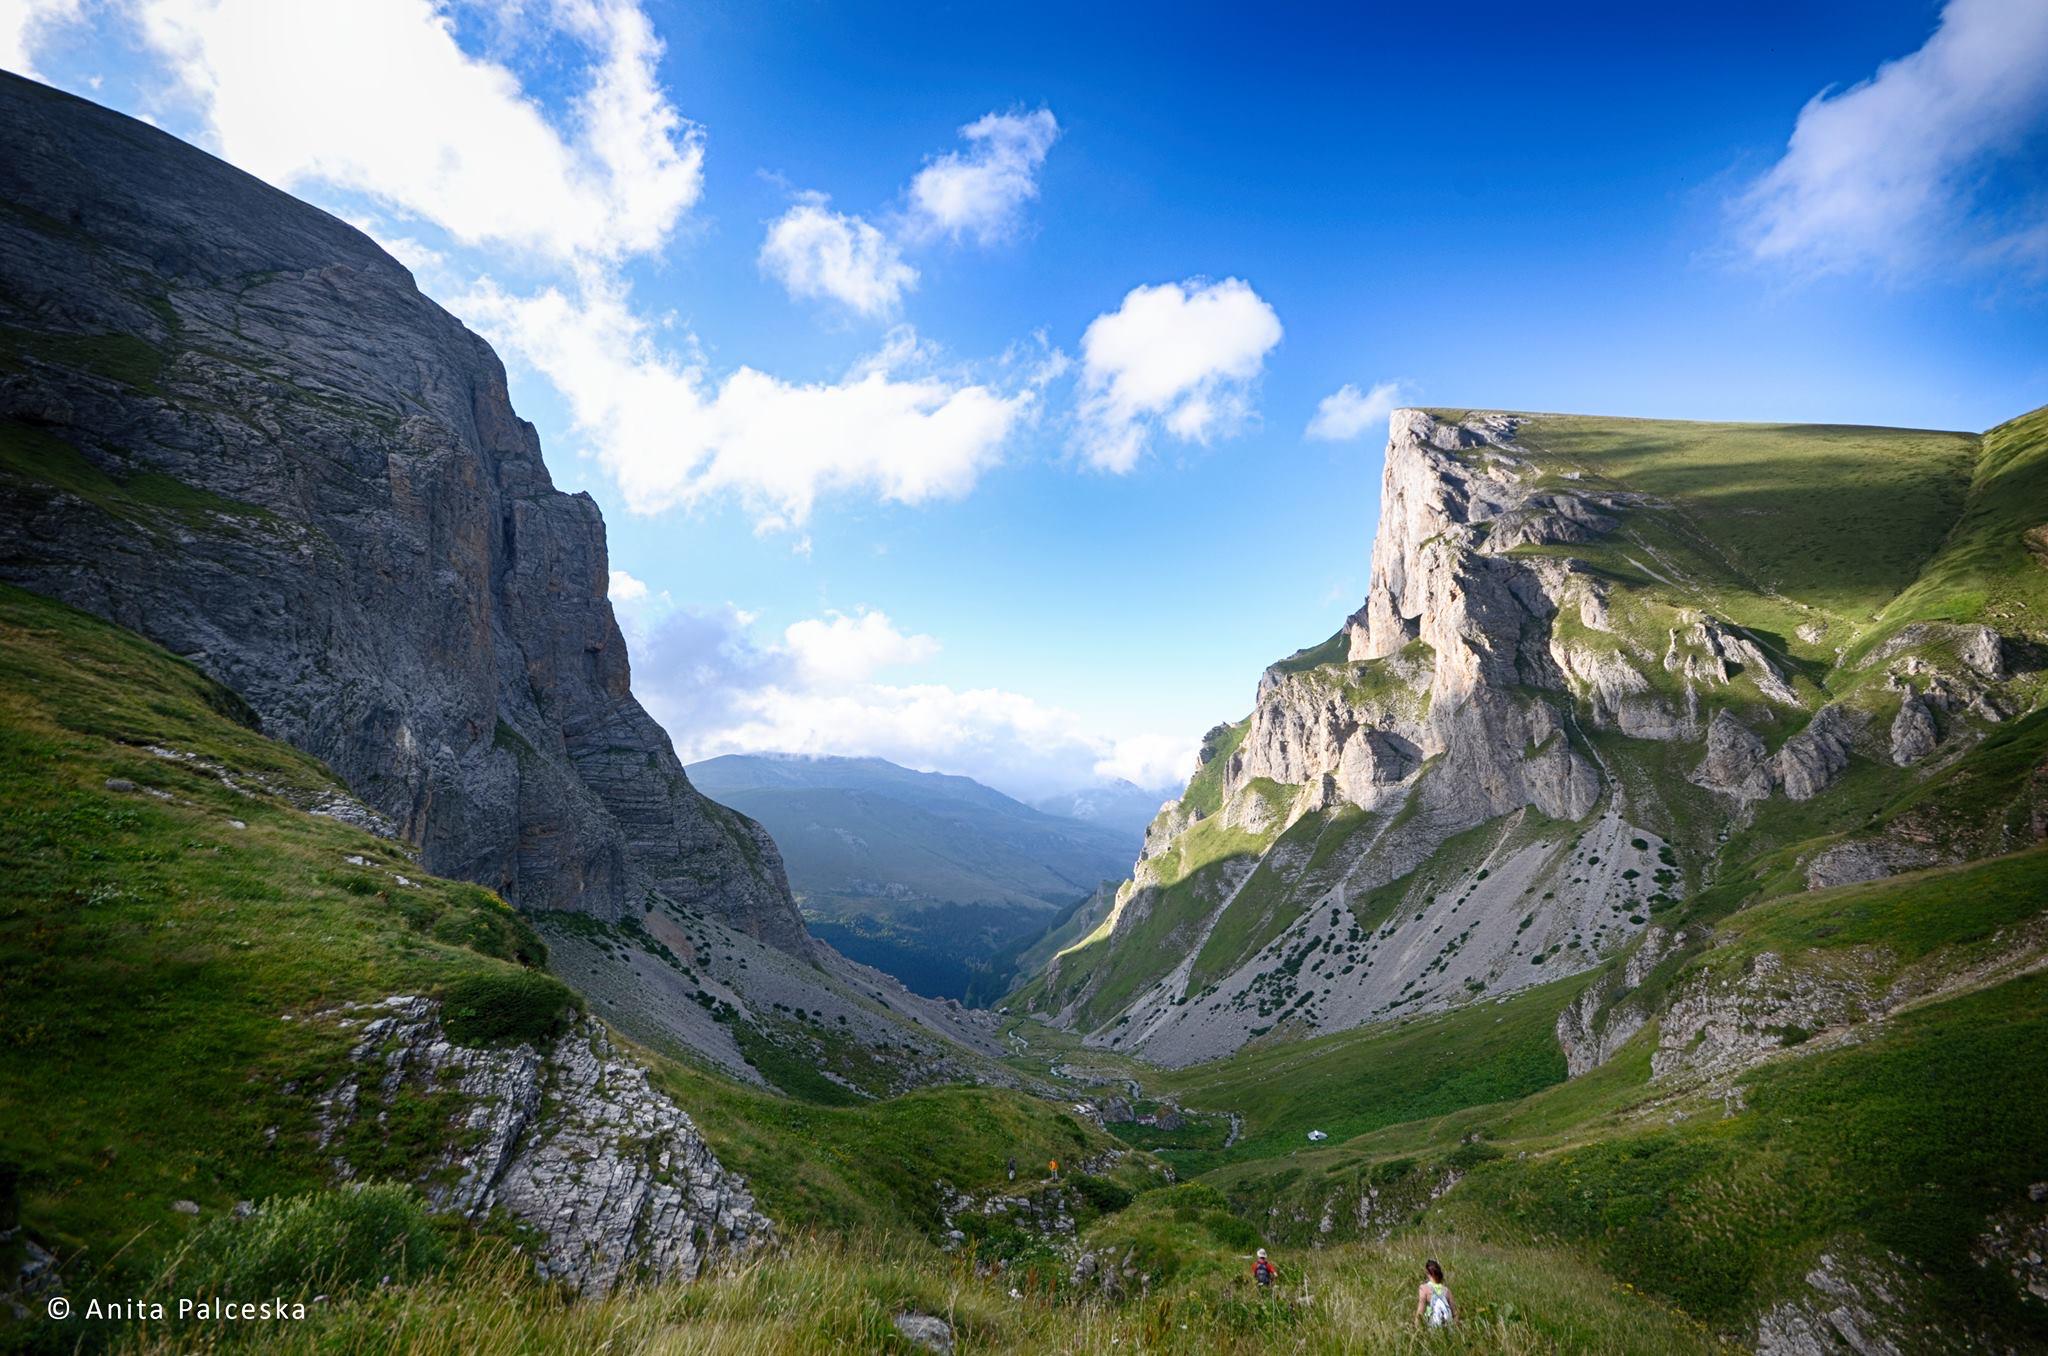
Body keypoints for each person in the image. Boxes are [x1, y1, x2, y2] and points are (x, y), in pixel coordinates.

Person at [1415, 1258, 1454, 1328]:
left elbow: (1420, 1312)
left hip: (1433, 1327)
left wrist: (1417, 1327)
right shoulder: (1447, 1291)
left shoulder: (1424, 1288)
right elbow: (1455, 1314)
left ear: (1427, 1273)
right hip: (1448, 1327)